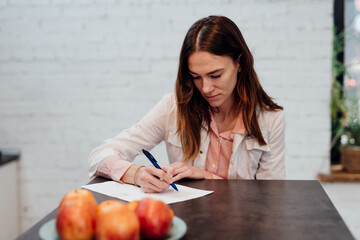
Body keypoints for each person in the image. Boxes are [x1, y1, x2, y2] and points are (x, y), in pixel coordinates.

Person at [88, 15, 285, 193]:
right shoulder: (172, 108)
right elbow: (99, 157)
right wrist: (138, 174)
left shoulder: (270, 119)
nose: (206, 88)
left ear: (239, 64)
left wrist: (208, 178)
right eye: (195, 77)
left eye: (215, 75)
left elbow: (271, 198)